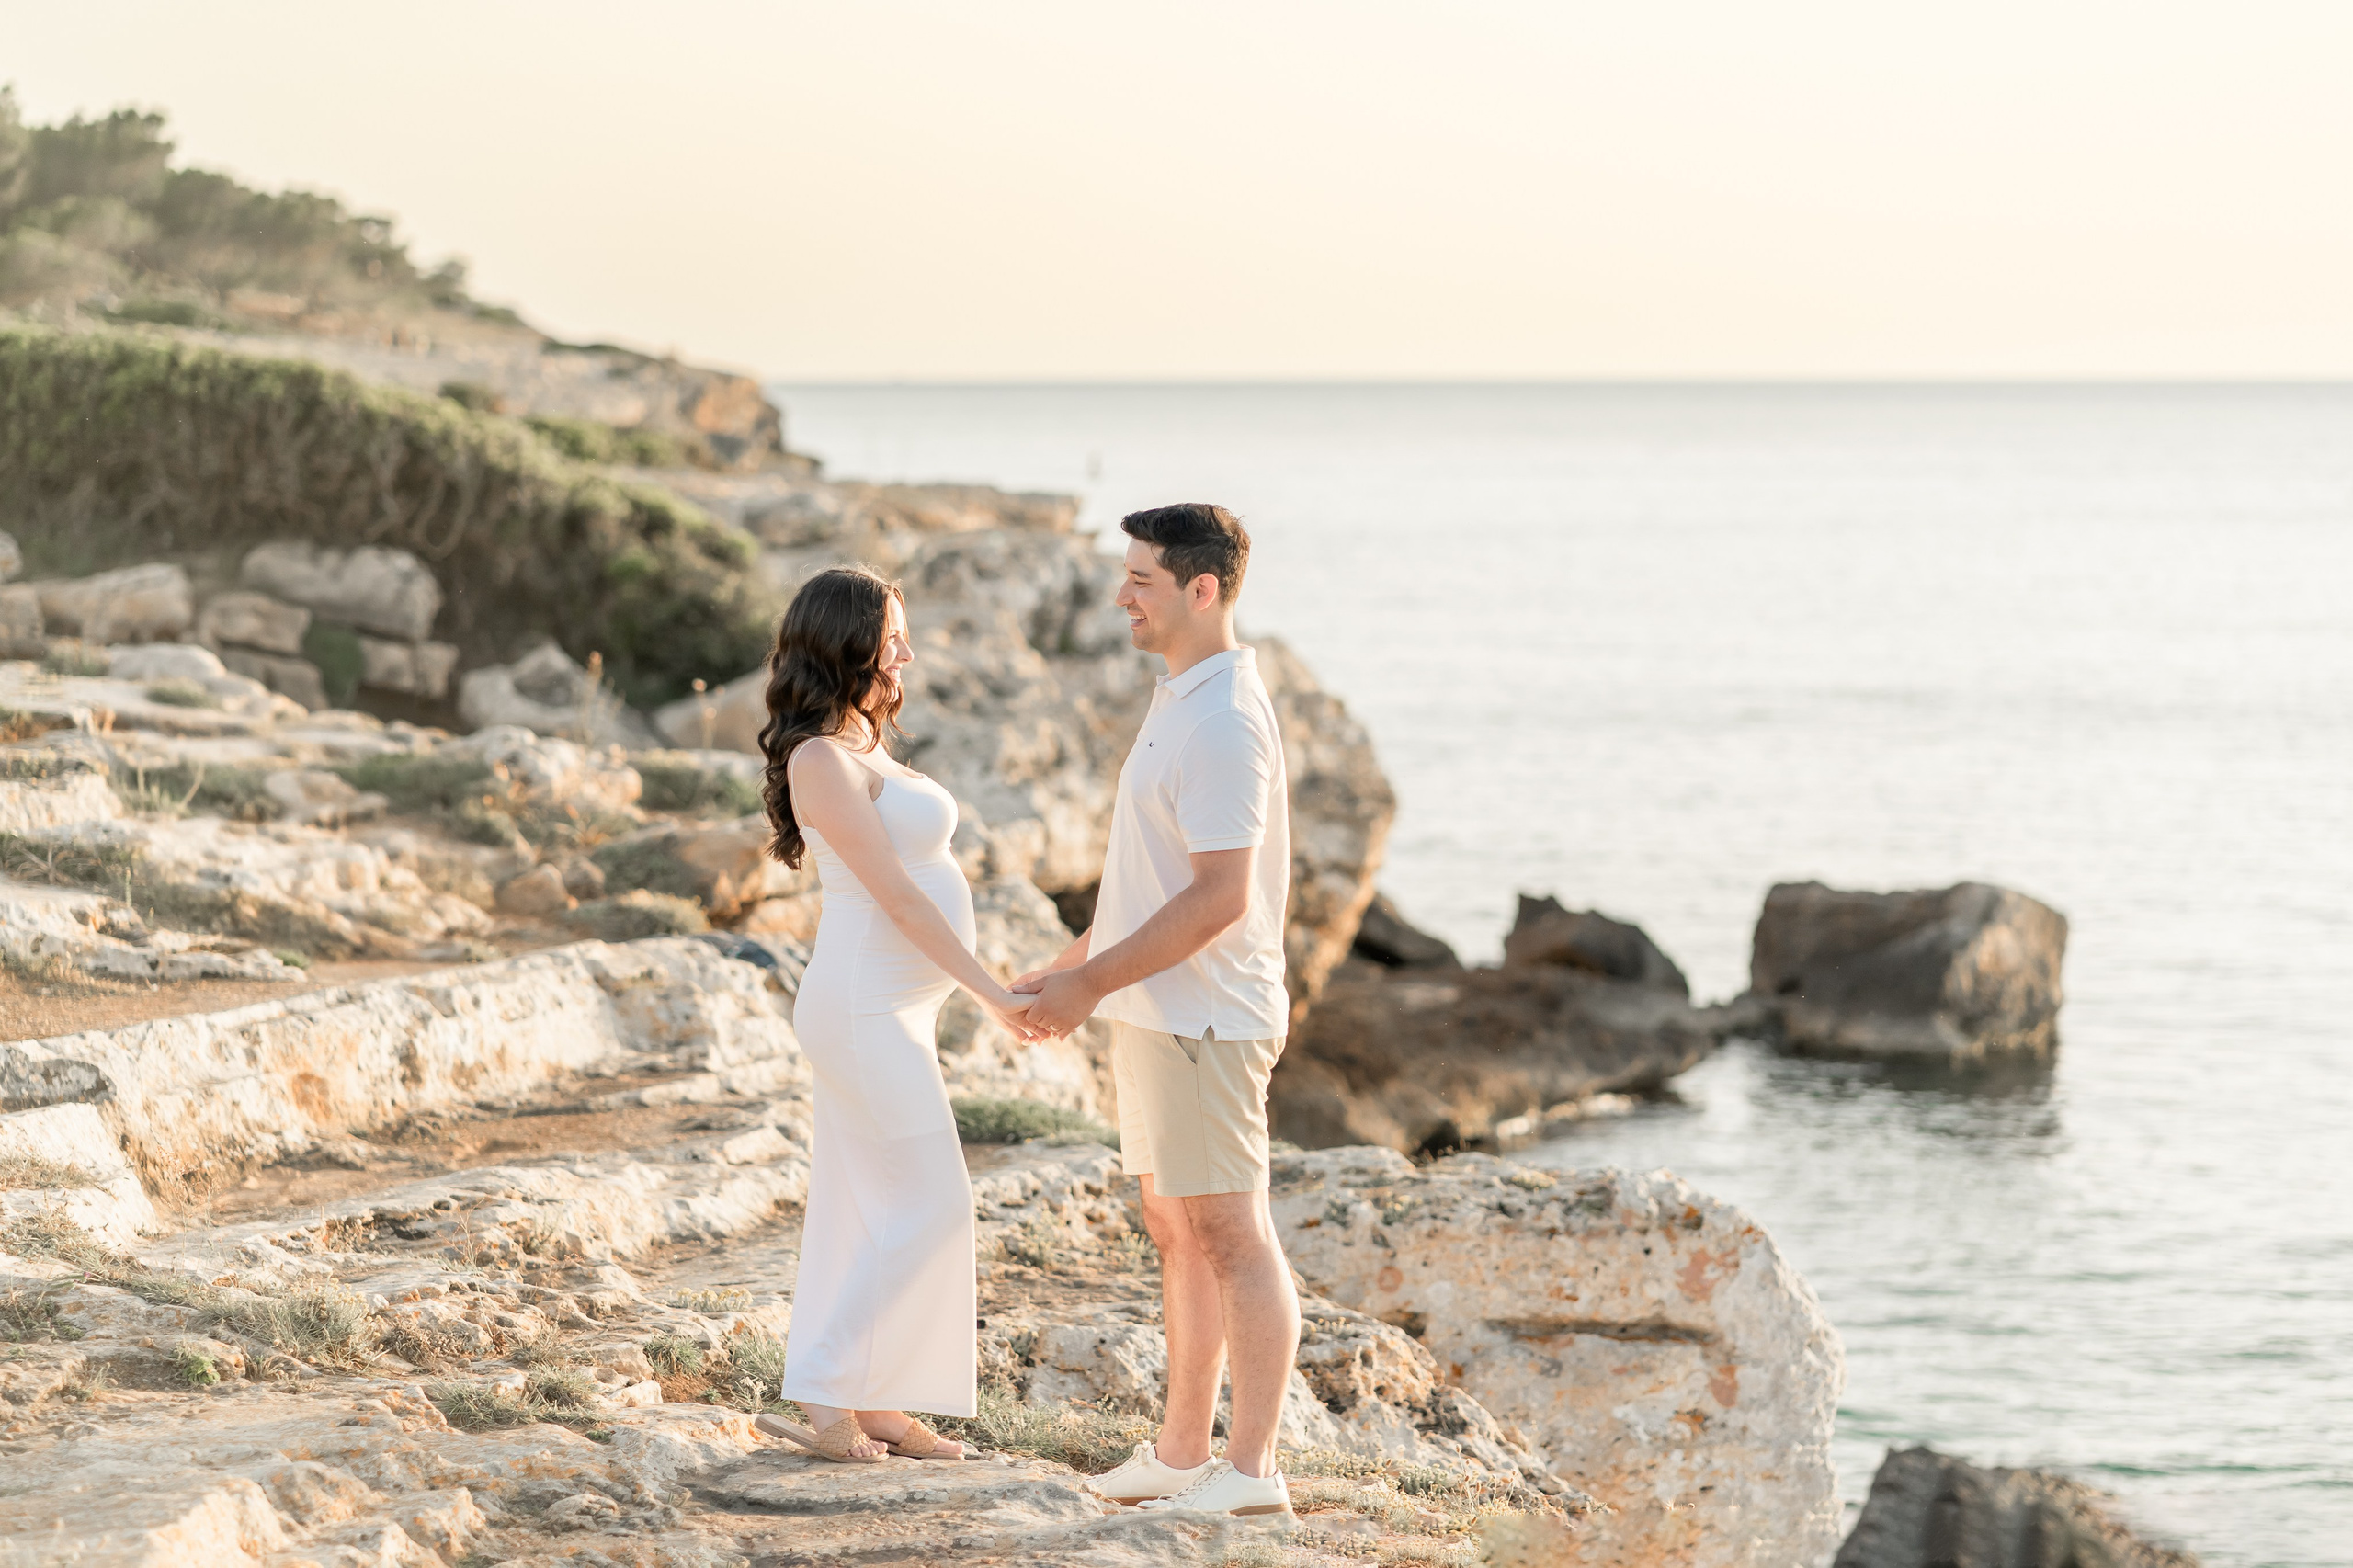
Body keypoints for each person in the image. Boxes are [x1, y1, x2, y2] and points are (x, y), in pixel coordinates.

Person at [1012, 503, 1299, 1517]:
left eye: (1141, 579)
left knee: (1231, 1233)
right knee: (1177, 1226)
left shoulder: (1222, 720)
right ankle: (1182, 1455)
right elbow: (1151, 880)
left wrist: (1091, 984)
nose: (1121, 595)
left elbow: (1220, 898)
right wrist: (1067, 969)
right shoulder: (1180, 696)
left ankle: (1251, 1475)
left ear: (1201, 589)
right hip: (1159, 1010)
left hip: (1207, 1017)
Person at [756, 564, 1043, 1464]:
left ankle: (876, 1398)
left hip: (892, 1011)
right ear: (847, 642)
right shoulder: (818, 759)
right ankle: (824, 1382)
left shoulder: (865, 742)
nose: (907, 653)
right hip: (860, 1008)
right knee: (934, 1200)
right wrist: (992, 994)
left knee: (867, 1203)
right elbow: (900, 899)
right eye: (892, 636)